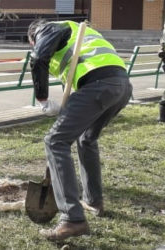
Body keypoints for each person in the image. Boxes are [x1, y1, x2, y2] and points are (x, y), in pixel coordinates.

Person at [28, 19, 131, 241]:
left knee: (55, 141)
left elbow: (38, 58)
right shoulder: (76, 31)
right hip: (121, 85)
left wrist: (43, 99)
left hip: (98, 85)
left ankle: (73, 219)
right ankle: (94, 202)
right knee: (86, 139)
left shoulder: (47, 28)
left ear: (32, 37)